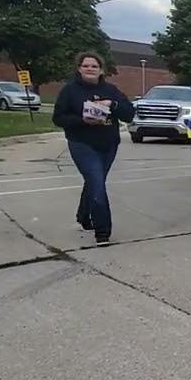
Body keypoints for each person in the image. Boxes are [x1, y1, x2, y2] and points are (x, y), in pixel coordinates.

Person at [52, 52, 136, 246]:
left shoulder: (111, 90)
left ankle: (83, 215)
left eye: (94, 66)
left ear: (101, 70)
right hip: (82, 144)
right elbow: (58, 118)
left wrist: (112, 104)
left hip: (108, 145)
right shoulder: (70, 91)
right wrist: (82, 120)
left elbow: (129, 114)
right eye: (86, 66)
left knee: (94, 182)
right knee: (97, 183)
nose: (90, 69)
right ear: (79, 68)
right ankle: (103, 232)